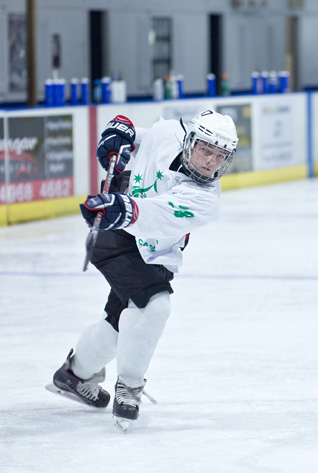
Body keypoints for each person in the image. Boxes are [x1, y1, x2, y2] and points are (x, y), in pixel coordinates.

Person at [47, 109, 238, 430]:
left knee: (120, 322)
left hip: (149, 244)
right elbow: (137, 139)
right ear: (189, 141)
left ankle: (73, 375)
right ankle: (129, 387)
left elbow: (155, 214)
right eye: (206, 149)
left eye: (220, 156)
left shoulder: (205, 199)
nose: (211, 161)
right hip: (116, 236)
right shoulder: (167, 134)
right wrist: (121, 137)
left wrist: (122, 210)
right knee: (154, 305)